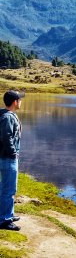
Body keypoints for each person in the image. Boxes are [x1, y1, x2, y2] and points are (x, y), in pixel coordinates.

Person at [0, 90, 24, 231]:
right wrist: (13, 153)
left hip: (5, 156)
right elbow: (6, 137)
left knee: (5, 187)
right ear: (15, 102)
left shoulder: (5, 114)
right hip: (8, 158)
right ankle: (5, 220)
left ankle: (8, 213)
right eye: (19, 99)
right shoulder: (7, 117)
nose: (21, 101)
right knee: (9, 189)